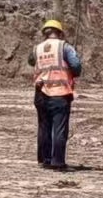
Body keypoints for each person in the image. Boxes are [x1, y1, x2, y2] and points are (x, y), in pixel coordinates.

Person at [26, 19, 82, 171]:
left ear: (45, 33)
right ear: (60, 32)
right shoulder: (65, 47)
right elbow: (76, 65)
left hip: (40, 92)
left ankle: (45, 160)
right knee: (59, 128)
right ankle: (58, 162)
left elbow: (31, 62)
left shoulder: (36, 48)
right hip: (59, 92)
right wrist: (74, 72)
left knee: (44, 127)